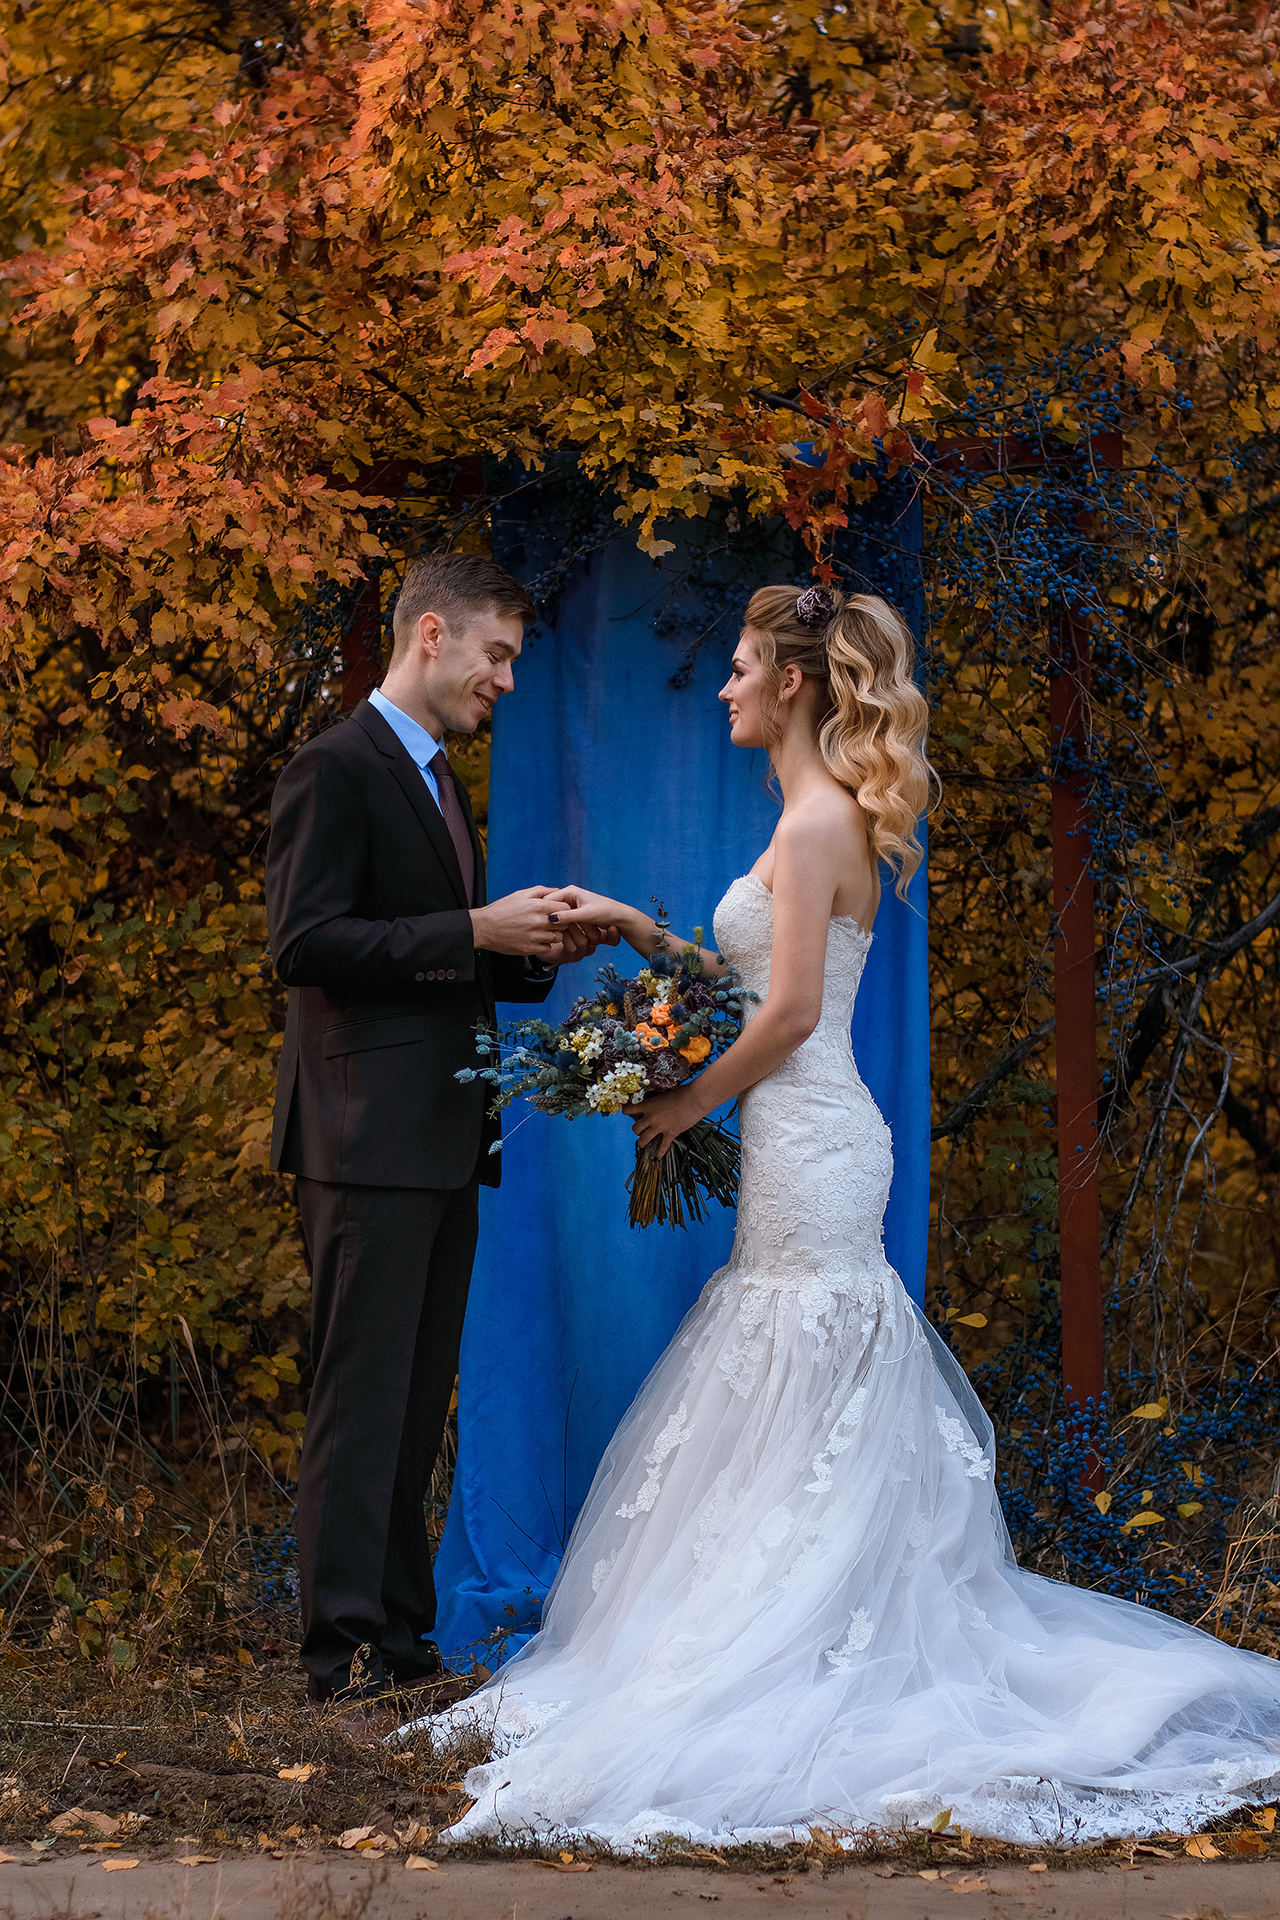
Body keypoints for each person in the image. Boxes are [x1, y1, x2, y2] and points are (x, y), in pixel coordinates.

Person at [415, 583, 1280, 1846]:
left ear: (795, 686)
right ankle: (784, 1614)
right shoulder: (804, 820)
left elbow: (794, 1018)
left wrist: (686, 1105)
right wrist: (632, 930)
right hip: (796, 1132)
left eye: (740, 668)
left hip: (814, 1139)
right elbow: (747, 978)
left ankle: (806, 1633)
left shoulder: (818, 822)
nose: (724, 688)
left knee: (802, 1353)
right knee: (780, 1369)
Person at [266, 552, 613, 1725]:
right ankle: (334, 1665)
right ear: (429, 635)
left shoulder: (426, 776)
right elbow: (304, 947)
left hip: (438, 1139)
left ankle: (404, 1648)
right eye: (496, 654)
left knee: (416, 1407)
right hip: (361, 1142)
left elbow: (421, 958)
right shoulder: (335, 767)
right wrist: (471, 921)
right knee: (361, 1405)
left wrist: (521, 955)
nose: (506, 680)